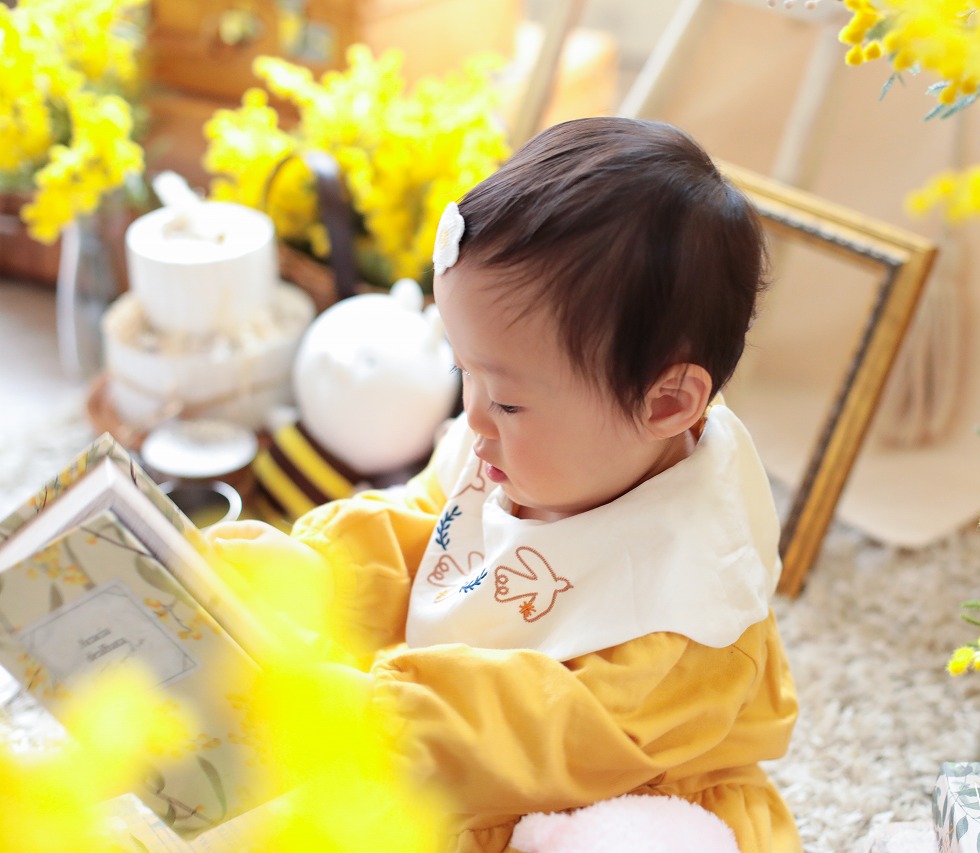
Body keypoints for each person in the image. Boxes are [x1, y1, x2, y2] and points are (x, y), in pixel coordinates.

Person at [209, 116, 800, 852]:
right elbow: (436, 528)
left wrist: (392, 715)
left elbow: (554, 728)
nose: (474, 417)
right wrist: (320, 571)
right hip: (457, 724)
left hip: (611, 780)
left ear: (666, 404)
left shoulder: (696, 599)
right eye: (463, 371)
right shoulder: (507, 438)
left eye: (510, 402)